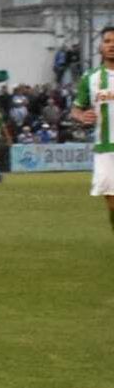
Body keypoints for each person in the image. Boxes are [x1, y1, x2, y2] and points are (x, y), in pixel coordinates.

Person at [70, 25, 114, 234]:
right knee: (112, 202)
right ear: (100, 47)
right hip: (104, 148)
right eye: (107, 41)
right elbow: (76, 109)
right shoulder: (91, 78)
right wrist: (82, 116)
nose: (112, 45)